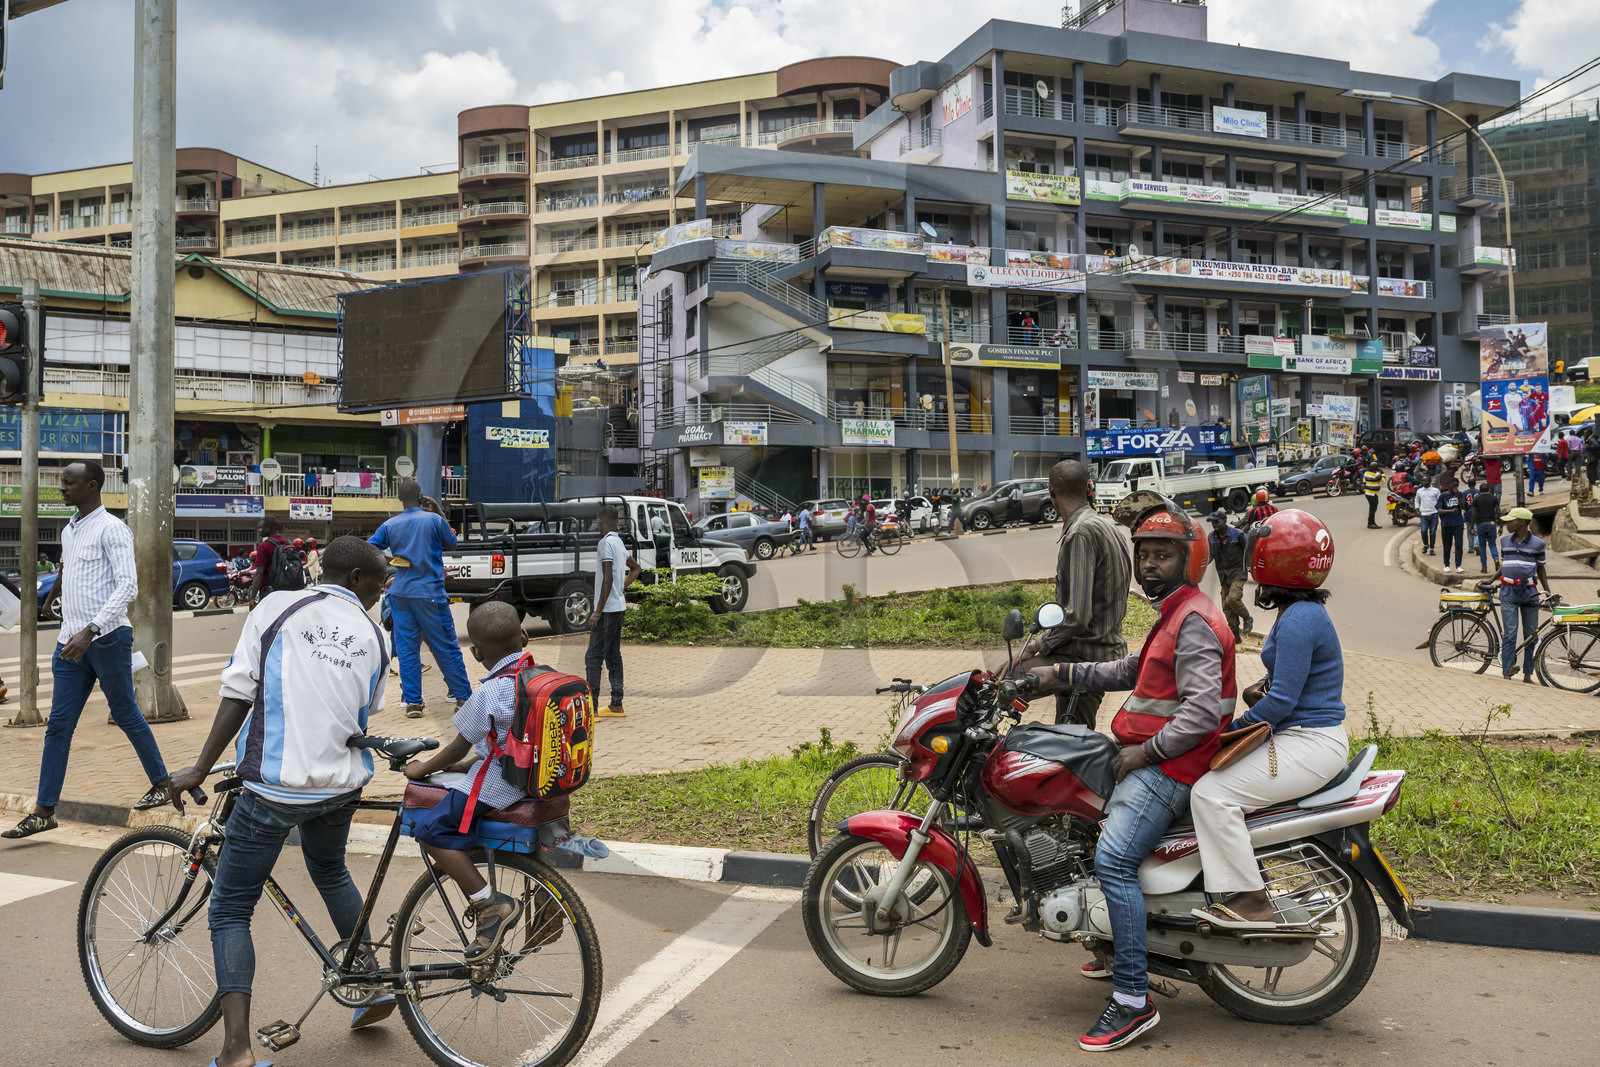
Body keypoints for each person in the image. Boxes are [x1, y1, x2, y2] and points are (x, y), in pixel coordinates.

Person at [164, 537, 395, 1065]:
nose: (384, 589)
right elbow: (364, 706)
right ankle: (369, 983)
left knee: (228, 908)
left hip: (276, 787)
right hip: (341, 784)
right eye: (380, 580)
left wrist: (200, 767)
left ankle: (236, 1050)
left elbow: (239, 691)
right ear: (356, 577)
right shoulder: (377, 636)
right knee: (330, 870)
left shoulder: (276, 607)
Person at [1028, 498, 1232, 1052]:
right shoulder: (1176, 612)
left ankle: (1133, 999)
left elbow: (1201, 713)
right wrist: (1055, 674)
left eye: (1163, 556)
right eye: (1143, 555)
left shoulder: (1192, 622)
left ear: (1191, 561)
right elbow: (1129, 671)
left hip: (1170, 767)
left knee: (1112, 859)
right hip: (1157, 758)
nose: (1148, 566)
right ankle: (1117, 944)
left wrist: (1142, 756)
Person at [1190, 510, 1347, 929]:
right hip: (1307, 737)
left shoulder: (1299, 619)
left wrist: (1231, 730)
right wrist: (1259, 686)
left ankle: (1252, 899)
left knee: (1210, 795)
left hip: (1309, 742)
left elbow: (1280, 702)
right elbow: (1285, 681)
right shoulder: (1302, 610)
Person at [2, 462, 172, 840]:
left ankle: (163, 782)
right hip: (69, 641)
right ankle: (44, 811)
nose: (61, 488)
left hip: (107, 638)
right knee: (58, 726)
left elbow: (128, 585)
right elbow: (72, 573)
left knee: (125, 712)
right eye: (62, 482)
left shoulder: (112, 529)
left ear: (91, 486)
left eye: (68, 483)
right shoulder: (70, 529)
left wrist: (92, 629)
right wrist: (53, 602)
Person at [403, 602, 561, 961]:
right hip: (540, 778)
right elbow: (515, 737)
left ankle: (489, 903)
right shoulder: (540, 675)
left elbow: (457, 743)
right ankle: (545, 899)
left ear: (475, 653)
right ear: (522, 636)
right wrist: (470, 763)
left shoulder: (488, 692)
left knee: (430, 831)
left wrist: (421, 768)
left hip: (503, 784)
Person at [1008, 460, 1133, 729]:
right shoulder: (1107, 526)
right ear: (1088, 488)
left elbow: (1076, 617)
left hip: (1086, 656)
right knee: (1071, 734)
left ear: (1052, 492)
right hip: (1104, 651)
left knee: (1006, 679)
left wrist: (1033, 647)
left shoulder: (1080, 533)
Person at [368, 480, 473, 719]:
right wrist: (437, 509)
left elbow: (371, 549)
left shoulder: (390, 524)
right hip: (430, 594)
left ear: (399, 498)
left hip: (400, 595)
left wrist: (393, 563)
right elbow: (452, 544)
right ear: (421, 496)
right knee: (446, 646)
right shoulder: (434, 520)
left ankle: (413, 703)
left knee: (407, 650)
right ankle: (464, 697)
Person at [587, 505, 640, 718]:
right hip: (618, 609)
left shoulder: (605, 543)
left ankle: (591, 709)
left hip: (608, 610)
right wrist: (623, 586)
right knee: (613, 655)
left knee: (593, 657)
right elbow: (636, 568)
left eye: (597, 522)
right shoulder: (618, 542)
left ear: (600, 521)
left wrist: (597, 611)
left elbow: (607, 578)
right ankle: (616, 704)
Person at [1491, 507, 1553, 683]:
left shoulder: (1538, 544)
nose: (1507, 524)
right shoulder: (1504, 541)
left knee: (1531, 635)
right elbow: (1505, 564)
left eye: (1511, 521)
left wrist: (1547, 591)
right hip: (1508, 592)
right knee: (1510, 633)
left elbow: (1540, 568)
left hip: (1530, 594)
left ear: (1523, 523)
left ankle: (1528, 674)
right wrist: (1489, 580)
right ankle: (1507, 672)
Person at [1207, 509, 1251, 640]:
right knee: (1226, 606)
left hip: (1238, 573)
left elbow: (1247, 552)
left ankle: (1248, 618)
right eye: (1212, 522)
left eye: (1217, 522)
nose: (1214, 525)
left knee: (1232, 599)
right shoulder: (1211, 537)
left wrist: (1251, 568)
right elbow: (1209, 557)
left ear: (1225, 521)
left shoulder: (1237, 534)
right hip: (1223, 576)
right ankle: (1235, 635)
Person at [247, 516, 295, 608]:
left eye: (260, 527)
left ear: (268, 528)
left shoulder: (264, 546)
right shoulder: (288, 543)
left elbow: (259, 573)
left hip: (270, 593)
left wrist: (252, 598)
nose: (259, 530)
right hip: (288, 592)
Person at [1469, 482, 1501, 574]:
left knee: (1482, 546)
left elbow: (1473, 513)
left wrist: (1472, 527)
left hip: (1481, 524)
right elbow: (1498, 512)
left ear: (1480, 490)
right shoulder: (1494, 498)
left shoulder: (1476, 499)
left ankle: (1484, 567)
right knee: (1492, 544)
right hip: (1491, 524)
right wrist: (1501, 525)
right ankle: (1496, 559)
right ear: (1488, 490)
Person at [1437, 482, 1466, 574]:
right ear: (1449, 486)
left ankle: (1458, 565)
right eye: (1454, 486)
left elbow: (1463, 506)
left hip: (1458, 523)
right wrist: (1450, 510)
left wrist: (1458, 496)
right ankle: (1446, 564)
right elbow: (1439, 510)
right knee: (1447, 545)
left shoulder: (1460, 494)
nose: (1455, 488)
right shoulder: (1443, 496)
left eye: (1457, 486)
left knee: (1458, 544)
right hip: (1447, 524)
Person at [1415, 476, 1441, 555]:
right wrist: (1417, 509)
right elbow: (1416, 500)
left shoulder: (1435, 490)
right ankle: (1426, 545)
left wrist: (1439, 510)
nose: (1424, 482)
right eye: (1423, 481)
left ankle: (1432, 548)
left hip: (1434, 514)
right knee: (1423, 531)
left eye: (1426, 481)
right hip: (1424, 514)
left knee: (1432, 532)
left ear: (1430, 481)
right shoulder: (1419, 491)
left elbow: (1439, 501)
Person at [1362, 459, 1384, 529]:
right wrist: (1382, 473)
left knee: (1372, 508)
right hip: (1373, 494)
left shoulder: (1366, 473)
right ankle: (1371, 523)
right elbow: (1383, 481)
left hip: (1367, 493)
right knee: (1373, 509)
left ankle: (1371, 521)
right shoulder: (1376, 475)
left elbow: (1364, 480)